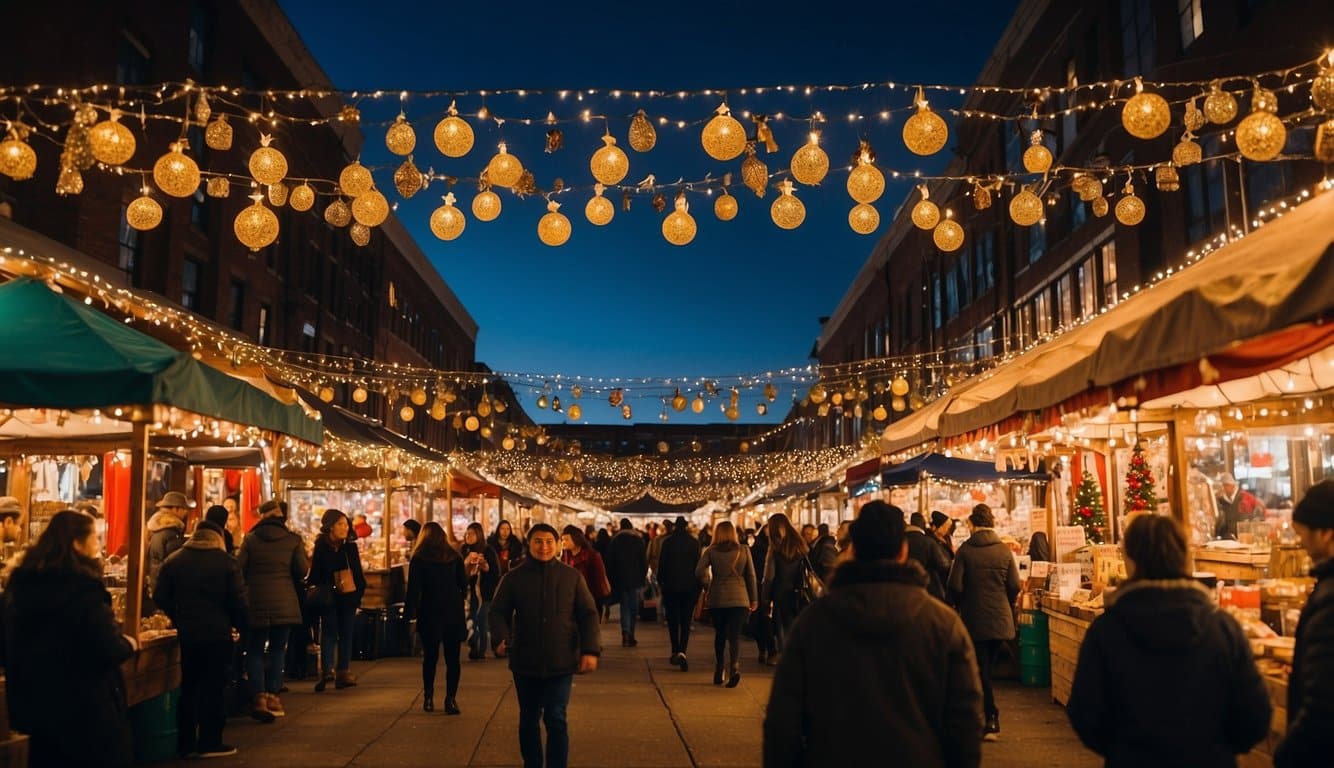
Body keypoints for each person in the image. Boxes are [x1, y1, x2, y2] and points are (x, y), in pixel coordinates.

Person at [763, 500, 983, 768]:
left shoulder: (814, 623)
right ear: (903, 552)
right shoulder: (942, 624)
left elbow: (783, 722)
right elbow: (965, 721)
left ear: (853, 550)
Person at [1068, 513, 1271, 767]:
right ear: (1185, 557)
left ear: (1130, 559)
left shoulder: (1106, 630)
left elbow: (1085, 711)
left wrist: (1122, 749)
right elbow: (1255, 715)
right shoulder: (1223, 628)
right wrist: (1218, 748)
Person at [2, 510, 137, 768]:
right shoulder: (83, 589)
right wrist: (128, 644)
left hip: (35, 705)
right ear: (77, 543)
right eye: (95, 538)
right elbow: (107, 646)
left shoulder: (19, 586)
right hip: (83, 707)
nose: (98, 545)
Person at [489, 524, 601, 768]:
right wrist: (500, 638)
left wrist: (590, 650)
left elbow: (588, 614)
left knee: (556, 718)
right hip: (525, 660)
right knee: (528, 719)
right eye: (538, 541)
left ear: (559, 544)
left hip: (561, 661)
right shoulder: (514, 578)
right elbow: (498, 612)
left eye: (549, 541)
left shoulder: (572, 577)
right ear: (529, 545)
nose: (544, 547)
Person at [153, 510, 249, 759]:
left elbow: (159, 596)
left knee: (189, 687)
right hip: (218, 634)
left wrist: (176, 614)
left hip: (187, 632)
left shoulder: (174, 560)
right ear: (217, 537)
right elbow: (238, 601)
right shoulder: (227, 562)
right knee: (214, 687)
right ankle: (210, 741)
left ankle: (185, 742)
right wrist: (241, 626)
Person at [947, 504, 1020, 741]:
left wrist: (957, 604)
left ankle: (990, 718)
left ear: (973, 524)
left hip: (974, 619)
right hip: (1001, 621)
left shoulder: (965, 551)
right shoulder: (1004, 551)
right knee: (984, 669)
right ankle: (986, 717)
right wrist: (1005, 603)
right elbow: (1014, 586)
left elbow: (955, 586)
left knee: (981, 671)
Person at [1275, 480, 1334, 767]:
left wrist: (1286, 754)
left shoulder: (1330, 598)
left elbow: (1324, 707)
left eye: (1304, 534)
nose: (1302, 544)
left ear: (1325, 534)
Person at [237, 498, 306, 723]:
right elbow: (301, 570)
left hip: (255, 600)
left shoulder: (250, 539)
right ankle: (274, 695)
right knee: (278, 650)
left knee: (255, 650)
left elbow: (239, 569)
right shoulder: (293, 540)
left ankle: (258, 697)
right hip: (284, 601)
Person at [405, 522, 468, 714]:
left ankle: (428, 698)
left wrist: (409, 615)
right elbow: (463, 585)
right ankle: (450, 699)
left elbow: (413, 590)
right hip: (452, 611)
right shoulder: (454, 557)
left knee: (430, 658)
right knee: (453, 659)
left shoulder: (419, 558)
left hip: (429, 611)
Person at [308, 509, 366, 692]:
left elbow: (357, 574)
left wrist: (358, 596)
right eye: (340, 524)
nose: (345, 528)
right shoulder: (321, 547)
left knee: (346, 633)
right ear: (330, 526)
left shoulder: (350, 547)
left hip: (348, 597)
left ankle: (343, 671)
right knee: (329, 632)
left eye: (346, 524)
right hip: (328, 597)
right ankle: (327, 671)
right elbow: (315, 574)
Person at [695, 520, 757, 687]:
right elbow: (751, 576)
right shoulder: (744, 550)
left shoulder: (711, 551)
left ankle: (719, 668)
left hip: (718, 598)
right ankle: (735, 667)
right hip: (740, 598)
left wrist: (708, 584)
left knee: (720, 634)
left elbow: (699, 571)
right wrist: (754, 598)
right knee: (735, 635)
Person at [760, 512, 808, 665]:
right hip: (798, 590)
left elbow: (769, 577)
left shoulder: (775, 549)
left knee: (780, 625)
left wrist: (764, 597)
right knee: (794, 623)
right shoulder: (800, 545)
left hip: (780, 591)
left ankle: (785, 656)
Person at [659, 515, 703, 671]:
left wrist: (660, 582)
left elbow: (662, 564)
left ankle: (675, 649)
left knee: (673, 620)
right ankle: (683, 651)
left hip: (671, 586)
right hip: (689, 587)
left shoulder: (668, 542)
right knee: (685, 620)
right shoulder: (693, 543)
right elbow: (698, 566)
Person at [461, 522, 501, 660]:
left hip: (486, 592)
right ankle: (474, 647)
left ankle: (481, 650)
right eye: (467, 533)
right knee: (472, 620)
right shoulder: (464, 550)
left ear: (479, 534)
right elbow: (459, 572)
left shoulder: (488, 550)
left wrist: (484, 566)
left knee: (481, 620)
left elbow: (496, 572)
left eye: (471, 533)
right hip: (470, 592)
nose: (468, 536)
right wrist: (466, 563)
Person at [606, 517, 648, 647]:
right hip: (635, 578)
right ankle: (632, 633)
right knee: (633, 607)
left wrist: (611, 578)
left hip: (620, 578)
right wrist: (643, 576)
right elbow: (643, 561)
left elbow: (610, 561)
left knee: (624, 605)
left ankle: (625, 632)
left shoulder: (615, 540)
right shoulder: (638, 540)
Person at [561, 525, 611, 615]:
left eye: (566, 539)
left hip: (590, 596)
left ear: (576, 539)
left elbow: (598, 579)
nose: (563, 542)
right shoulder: (565, 555)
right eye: (562, 539)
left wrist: (594, 599)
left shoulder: (592, 555)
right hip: (572, 596)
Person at [146, 490, 191, 590]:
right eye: (183, 509)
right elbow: (176, 562)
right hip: (166, 586)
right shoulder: (171, 532)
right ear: (175, 509)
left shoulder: (158, 528)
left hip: (157, 583)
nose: (185, 512)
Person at [907, 511, 952, 601]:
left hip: (907, 588)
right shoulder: (929, 542)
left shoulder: (902, 540)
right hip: (930, 587)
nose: (947, 530)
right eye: (944, 527)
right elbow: (943, 565)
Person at [750, 522, 776, 664]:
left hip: (769, 587)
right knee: (763, 620)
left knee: (765, 620)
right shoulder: (758, 548)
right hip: (761, 588)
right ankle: (766, 649)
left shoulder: (776, 548)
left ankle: (768, 649)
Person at [1215, 474, 1265, 539]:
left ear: (1232, 485)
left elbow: (1260, 512)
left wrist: (1254, 526)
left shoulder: (1246, 497)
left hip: (1245, 537)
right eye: (1223, 486)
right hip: (1227, 540)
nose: (1223, 488)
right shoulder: (1221, 501)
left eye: (1225, 485)